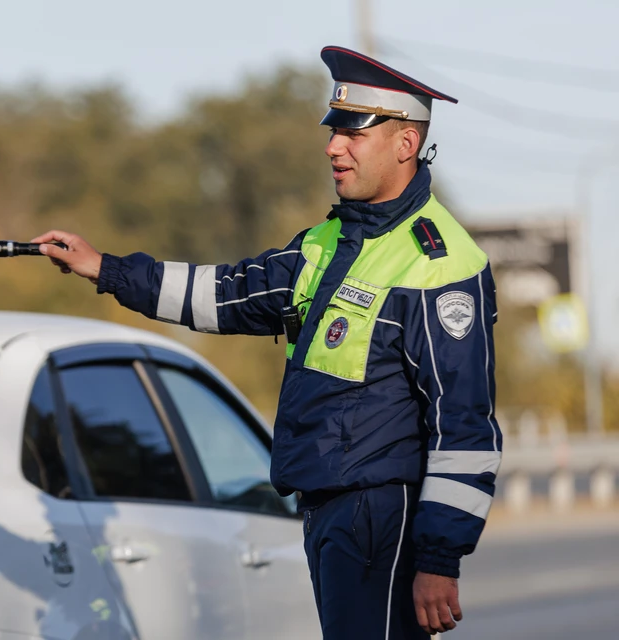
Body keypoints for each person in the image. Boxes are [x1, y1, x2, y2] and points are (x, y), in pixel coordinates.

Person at [32, 45, 501, 639]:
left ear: (405, 143)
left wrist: (438, 559)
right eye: (334, 130)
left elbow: (464, 426)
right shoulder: (325, 242)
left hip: (382, 515)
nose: (334, 146)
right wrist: (105, 268)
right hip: (325, 504)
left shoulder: (440, 264)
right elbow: (219, 294)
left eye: (354, 132)